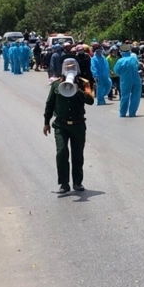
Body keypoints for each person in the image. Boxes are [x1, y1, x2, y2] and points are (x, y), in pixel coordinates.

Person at [43, 58, 94, 193]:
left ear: (77, 68)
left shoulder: (84, 83)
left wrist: (78, 91)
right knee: (61, 152)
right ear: (63, 68)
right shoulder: (56, 85)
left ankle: (77, 182)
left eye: (72, 66)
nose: (70, 69)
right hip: (61, 125)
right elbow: (50, 104)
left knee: (77, 154)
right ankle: (64, 184)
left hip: (78, 125)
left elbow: (90, 100)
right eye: (67, 66)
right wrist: (46, 122)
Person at [114, 44, 141, 117]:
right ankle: (132, 113)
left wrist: (123, 74)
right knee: (136, 96)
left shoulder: (120, 61)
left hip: (125, 80)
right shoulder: (134, 59)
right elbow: (137, 66)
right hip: (136, 79)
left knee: (125, 96)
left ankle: (122, 113)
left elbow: (116, 71)